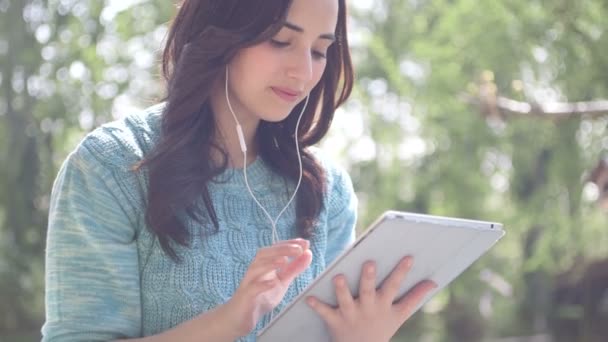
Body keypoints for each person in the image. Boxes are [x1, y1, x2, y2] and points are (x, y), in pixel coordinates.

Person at [41, 0, 436, 341]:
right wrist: (228, 322)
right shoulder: (111, 167)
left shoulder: (326, 189)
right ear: (223, 29)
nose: (303, 72)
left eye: (319, 51)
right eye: (281, 41)